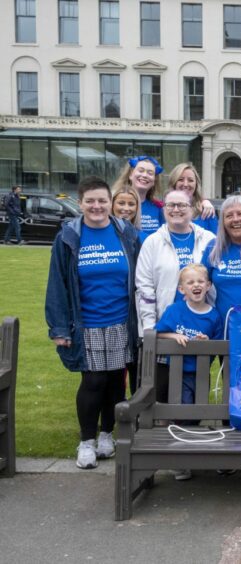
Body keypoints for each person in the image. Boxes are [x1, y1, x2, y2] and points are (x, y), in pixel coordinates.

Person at [45, 176, 140, 469]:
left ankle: (106, 435)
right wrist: (59, 328)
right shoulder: (69, 237)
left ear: (110, 202)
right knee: (93, 381)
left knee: (115, 381)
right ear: (81, 202)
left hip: (122, 321)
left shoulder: (126, 233)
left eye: (102, 200)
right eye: (90, 201)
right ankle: (86, 441)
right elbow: (57, 285)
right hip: (86, 323)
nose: (97, 206)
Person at [135, 189, 217, 385]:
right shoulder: (153, 242)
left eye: (182, 205)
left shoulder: (207, 239)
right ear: (164, 209)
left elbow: (215, 280)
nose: (176, 209)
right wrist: (149, 328)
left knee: (194, 391)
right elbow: (144, 286)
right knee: (162, 389)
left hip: (198, 329)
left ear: (192, 209)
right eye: (171, 205)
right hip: (166, 326)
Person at [155, 263, 223, 481]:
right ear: (181, 289)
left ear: (208, 286)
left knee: (195, 414)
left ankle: (187, 455)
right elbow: (157, 334)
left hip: (201, 374)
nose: (196, 285)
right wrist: (174, 336)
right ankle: (180, 461)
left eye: (200, 281)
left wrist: (206, 342)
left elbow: (219, 343)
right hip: (179, 374)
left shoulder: (214, 315)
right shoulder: (175, 310)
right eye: (190, 282)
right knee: (182, 412)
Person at [168, 163, 218, 234]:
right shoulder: (165, 211)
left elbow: (216, 241)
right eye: (181, 179)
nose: (185, 184)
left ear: (196, 185)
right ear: (174, 183)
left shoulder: (207, 212)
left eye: (190, 180)